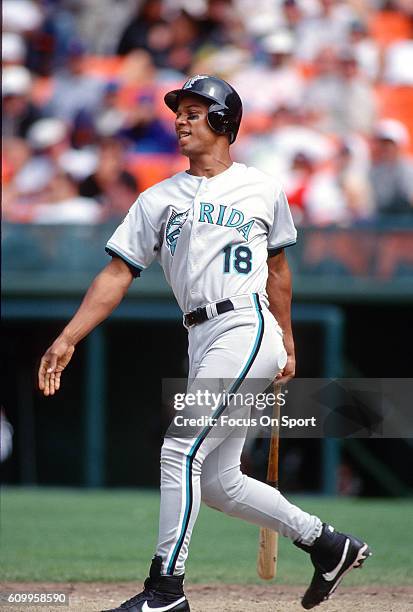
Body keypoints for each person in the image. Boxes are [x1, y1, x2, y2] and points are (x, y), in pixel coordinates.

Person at [38, 75, 371, 611]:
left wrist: (287, 339)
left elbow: (277, 270)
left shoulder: (262, 188)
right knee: (218, 481)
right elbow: (117, 274)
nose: (181, 119)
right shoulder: (157, 198)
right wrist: (68, 336)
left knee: (180, 449)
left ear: (224, 122)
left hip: (245, 326)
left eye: (196, 111)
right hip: (201, 334)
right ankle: (328, 543)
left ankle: (165, 590)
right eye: (180, 111)